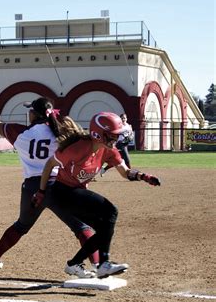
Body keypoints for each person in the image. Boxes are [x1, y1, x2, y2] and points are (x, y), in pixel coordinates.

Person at [0, 95, 99, 274]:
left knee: (21, 225)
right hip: (60, 186)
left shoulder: (20, 132)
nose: (29, 113)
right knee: (82, 226)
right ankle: (98, 266)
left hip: (32, 188)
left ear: (34, 114)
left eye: (30, 110)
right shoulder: (63, 133)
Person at [33, 112, 161, 278]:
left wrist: (144, 177)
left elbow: (126, 172)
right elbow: (49, 165)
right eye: (112, 135)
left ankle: (73, 265)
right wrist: (42, 192)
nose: (115, 139)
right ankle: (103, 264)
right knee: (111, 211)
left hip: (76, 193)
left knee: (104, 229)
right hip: (62, 193)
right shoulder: (78, 148)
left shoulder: (109, 151)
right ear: (97, 134)